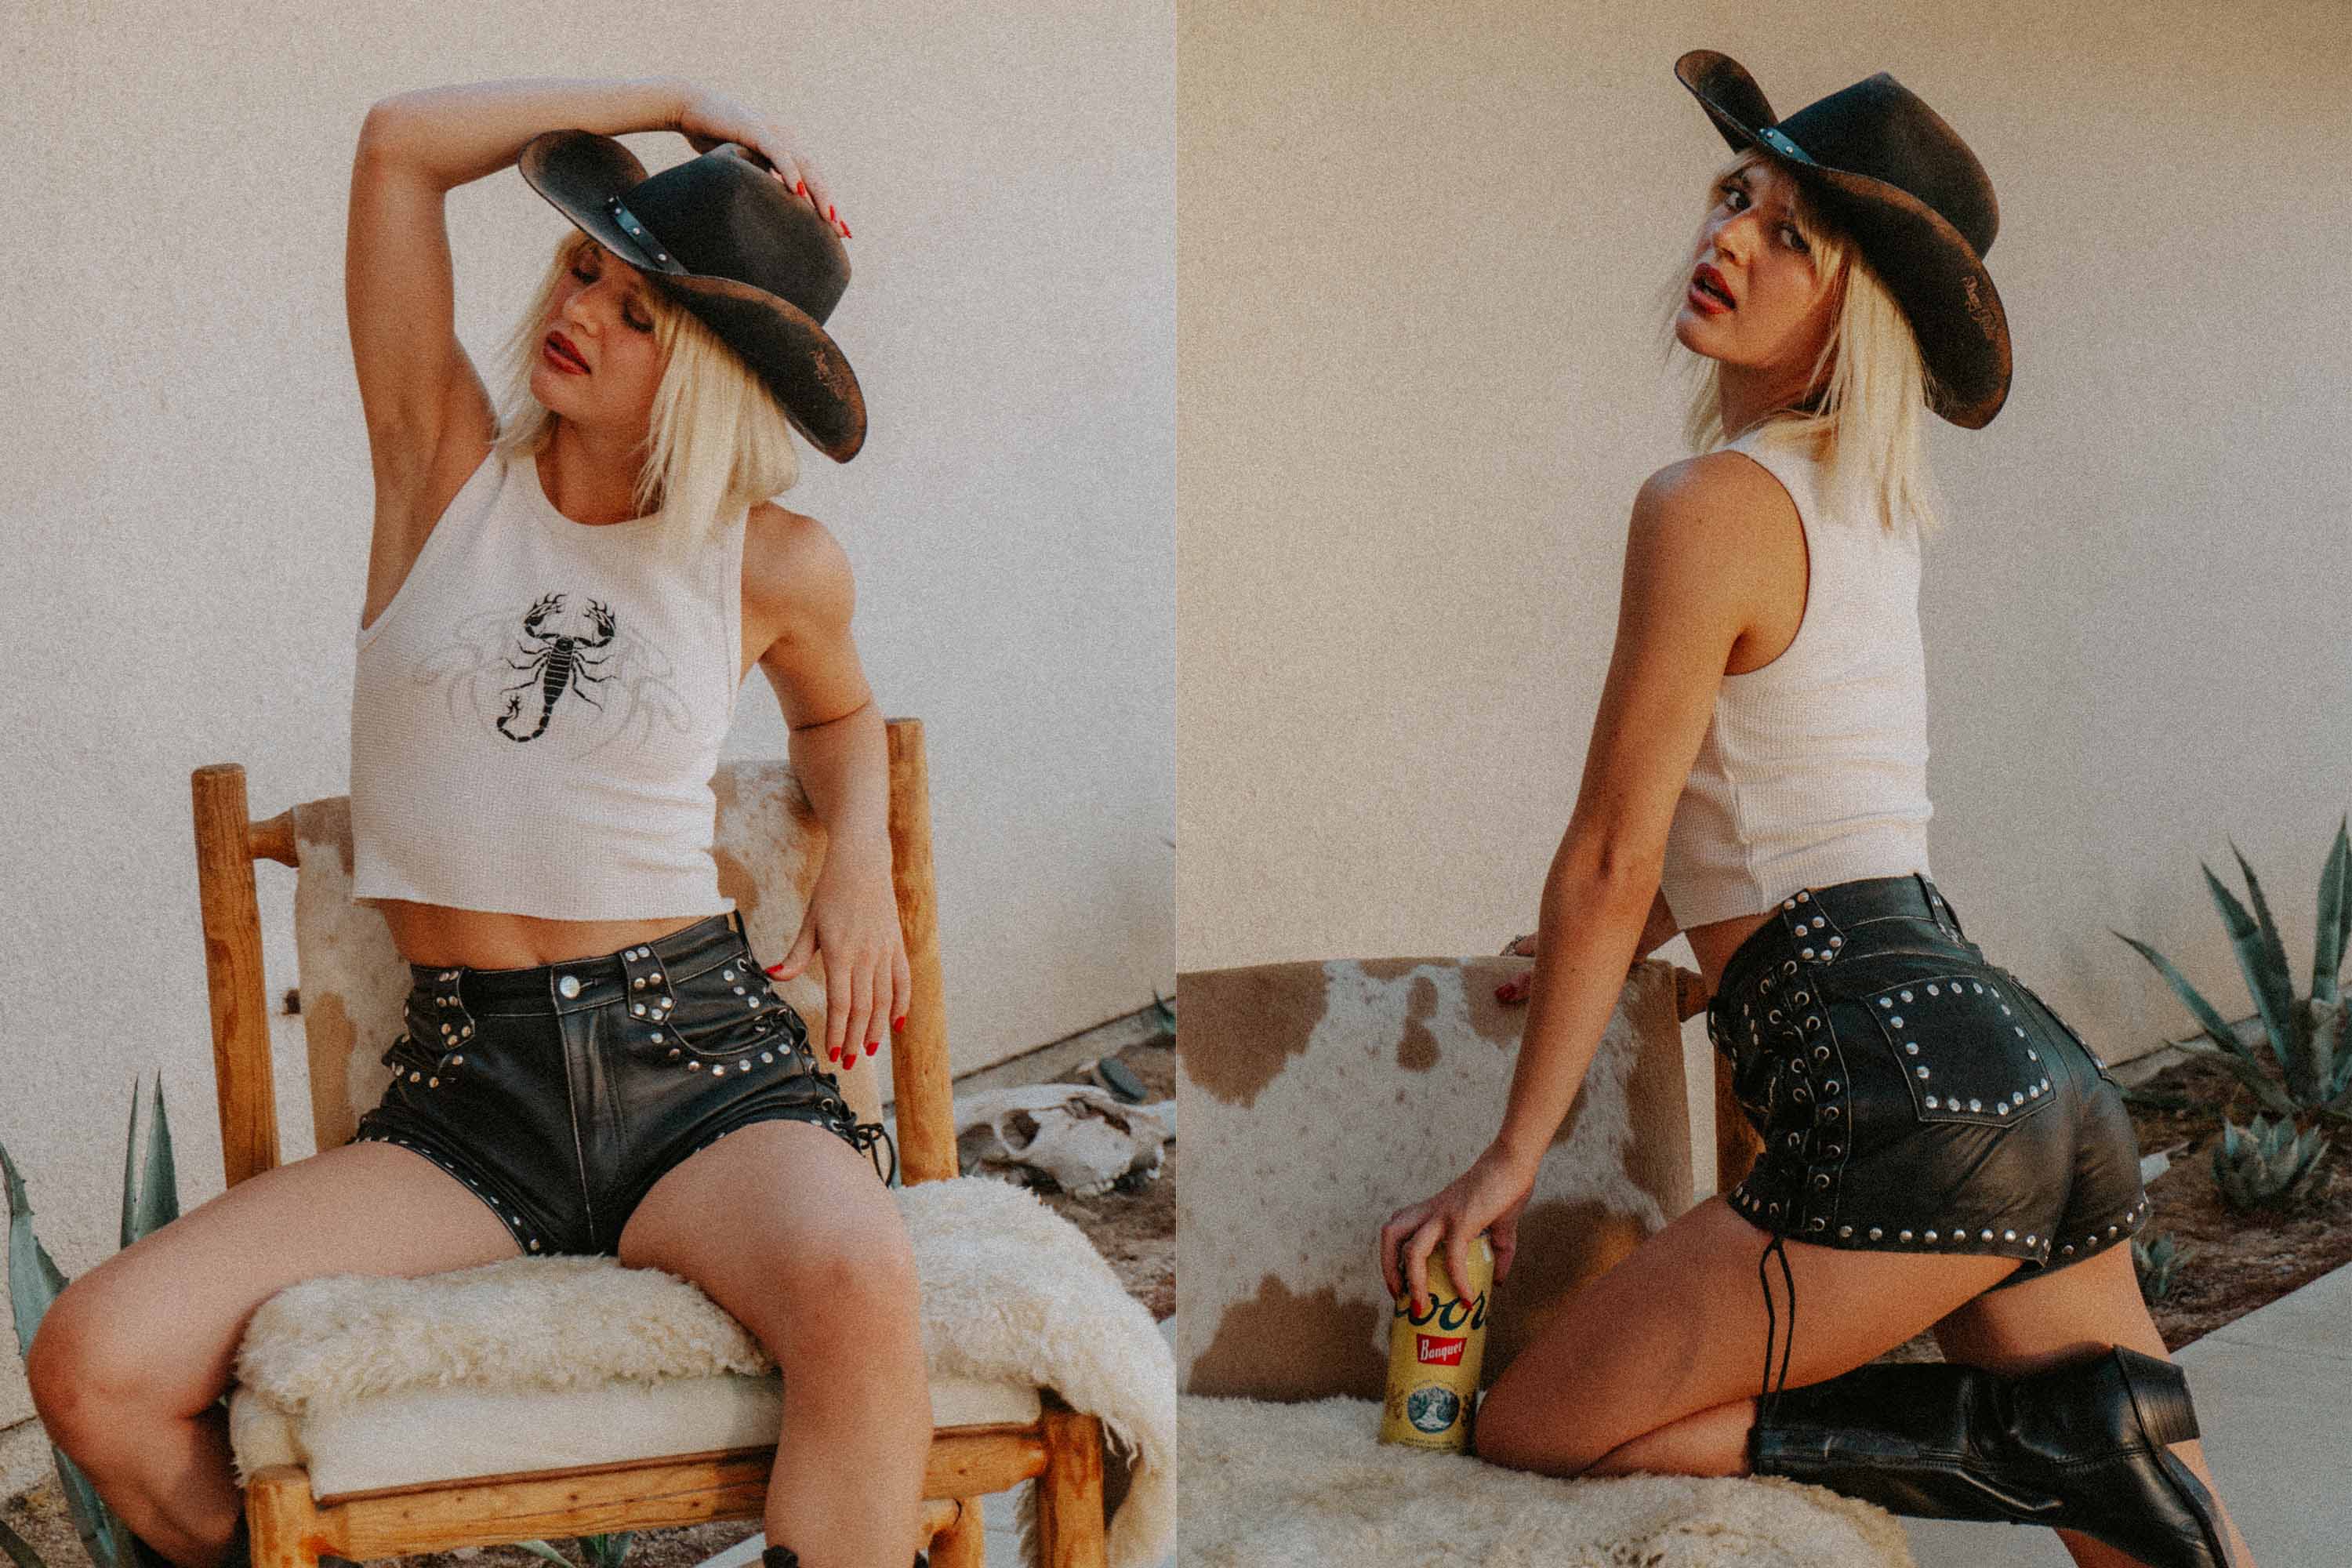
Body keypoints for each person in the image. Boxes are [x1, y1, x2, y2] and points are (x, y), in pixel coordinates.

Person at [27, 78, 934, 1568]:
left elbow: (838, 720)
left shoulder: (771, 562)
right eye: (588, 266)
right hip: (468, 1092)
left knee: (859, 1283)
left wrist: (862, 882)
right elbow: (395, 144)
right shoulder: (440, 473)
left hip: (698, 1066)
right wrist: (667, 94)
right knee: (92, 1363)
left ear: (710, 373)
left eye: (647, 314)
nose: (584, 309)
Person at [1377, 52, 2252, 1568]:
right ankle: (2077, 1449)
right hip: (2020, 1067)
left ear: (1856, 311)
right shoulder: (1863, 512)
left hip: (1885, 1097)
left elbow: (1613, 845)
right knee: (2162, 1536)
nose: (1729, 239)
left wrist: (1512, 1155)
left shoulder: (1706, 504)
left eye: (1793, 237)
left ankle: (2036, 1443)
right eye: (1737, 199)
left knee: (1534, 1428)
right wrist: (1590, 937)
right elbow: (1764, 816)